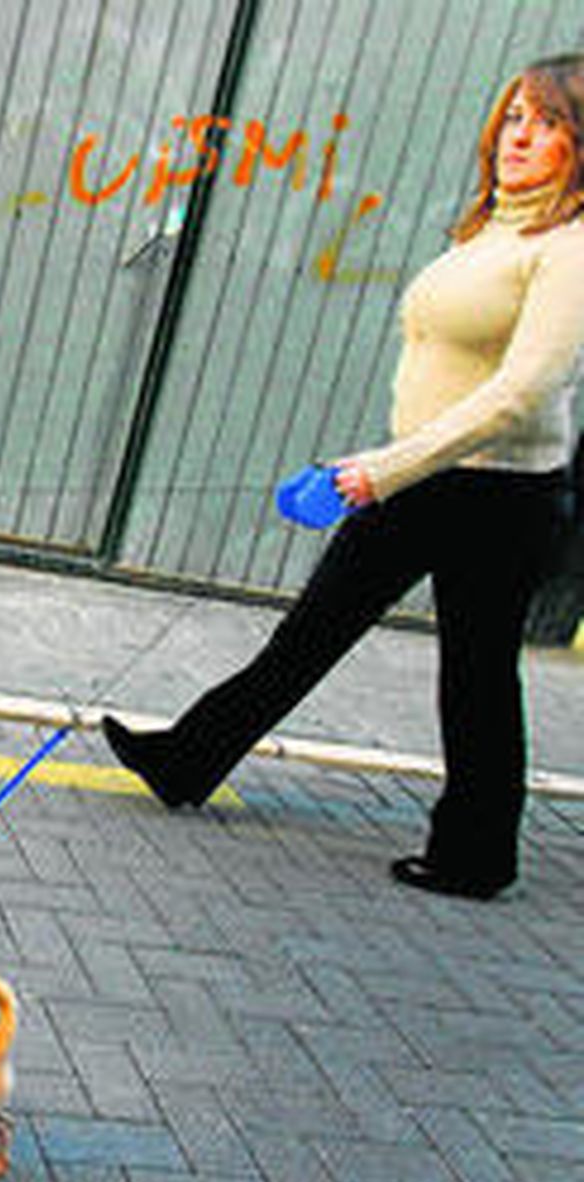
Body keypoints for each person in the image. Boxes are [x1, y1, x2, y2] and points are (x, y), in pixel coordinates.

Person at [103, 53, 584, 901]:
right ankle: (186, 759)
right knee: (311, 632)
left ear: (579, 143)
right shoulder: (495, 225)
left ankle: (475, 855)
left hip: (498, 495)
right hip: (423, 473)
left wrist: (384, 467)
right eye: (514, 117)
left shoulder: (571, 247)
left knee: (474, 674)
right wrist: (392, 462)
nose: (521, 136)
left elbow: (523, 392)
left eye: (547, 124)